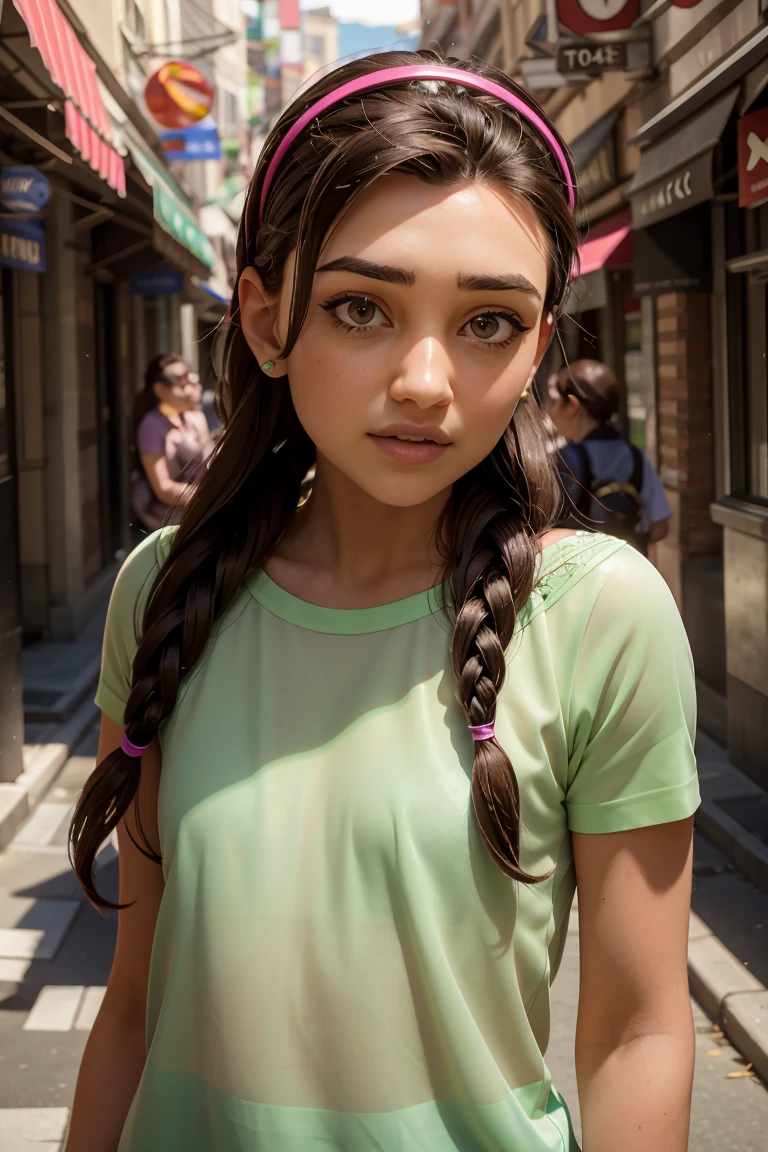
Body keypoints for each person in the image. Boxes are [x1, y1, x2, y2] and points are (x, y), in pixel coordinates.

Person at [66, 53, 700, 1152]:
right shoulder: (164, 591)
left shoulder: (603, 616)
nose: (424, 380)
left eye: (489, 322)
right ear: (266, 320)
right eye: (361, 307)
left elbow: (640, 1029)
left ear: (540, 344)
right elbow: (134, 1003)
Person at [546, 359, 672, 553]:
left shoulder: (563, 461)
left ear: (572, 405)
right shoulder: (635, 456)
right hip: (629, 571)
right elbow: (660, 527)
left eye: (554, 402)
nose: (549, 411)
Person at [130, 354, 212, 530]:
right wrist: (208, 497)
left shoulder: (192, 417)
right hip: (174, 523)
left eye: (190, 382)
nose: (190, 389)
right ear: (160, 389)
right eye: (182, 385)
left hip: (200, 513)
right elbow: (163, 488)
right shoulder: (151, 425)